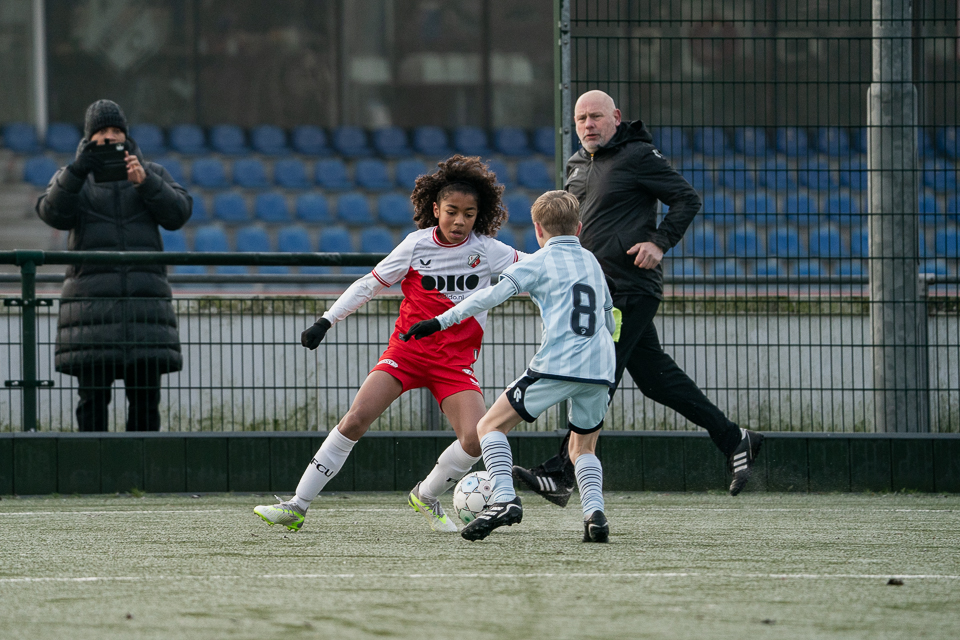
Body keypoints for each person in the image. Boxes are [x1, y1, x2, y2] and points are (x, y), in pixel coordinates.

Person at [512, 90, 764, 503]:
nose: (588, 125)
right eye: (581, 119)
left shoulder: (639, 156)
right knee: (654, 379)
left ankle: (560, 473)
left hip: (629, 289)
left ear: (616, 117)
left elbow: (687, 198)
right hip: (597, 291)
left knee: (596, 377)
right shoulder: (577, 165)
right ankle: (735, 437)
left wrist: (660, 243)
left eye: (595, 117)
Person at [254, 155, 523, 532]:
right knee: (355, 420)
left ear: (480, 215)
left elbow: (534, 269)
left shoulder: (489, 251)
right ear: (435, 209)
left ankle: (425, 495)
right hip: (406, 354)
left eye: (469, 213)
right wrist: (326, 320)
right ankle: (297, 506)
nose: (459, 221)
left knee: (475, 439)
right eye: (451, 212)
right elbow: (369, 285)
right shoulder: (415, 245)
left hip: (454, 364)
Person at [403, 190, 617, 542]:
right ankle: (595, 515)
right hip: (601, 369)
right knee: (583, 448)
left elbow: (490, 295)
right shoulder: (592, 261)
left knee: (489, 426)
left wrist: (441, 321)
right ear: (578, 228)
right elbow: (608, 320)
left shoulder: (538, 262)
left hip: (558, 364)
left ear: (538, 229)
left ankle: (503, 500)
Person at [36, 99, 192, 431]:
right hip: (91, 313)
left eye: (115, 130)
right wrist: (78, 171)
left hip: (144, 311)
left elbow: (178, 214)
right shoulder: (74, 177)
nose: (109, 137)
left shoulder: (151, 173)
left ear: (126, 135)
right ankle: (93, 479)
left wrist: (145, 182)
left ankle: (145, 481)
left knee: (146, 402)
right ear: (89, 138)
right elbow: (52, 212)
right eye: (102, 132)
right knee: (92, 402)